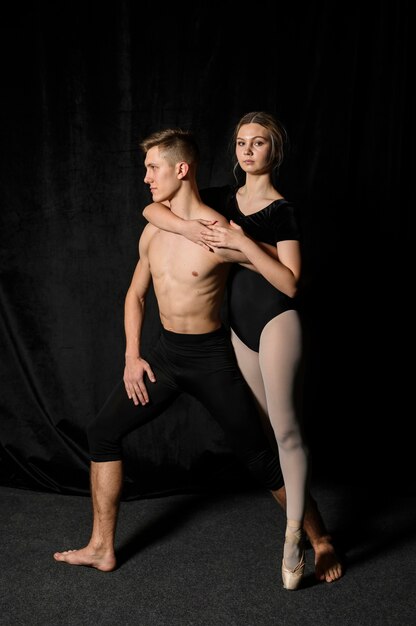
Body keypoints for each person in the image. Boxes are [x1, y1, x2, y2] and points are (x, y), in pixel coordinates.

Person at [53, 127, 307, 590]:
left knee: (260, 457)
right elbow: (134, 295)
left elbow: (283, 277)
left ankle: (319, 536)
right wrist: (132, 356)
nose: (147, 177)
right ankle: (101, 547)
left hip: (211, 357)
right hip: (166, 357)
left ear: (181, 169)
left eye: (153, 168)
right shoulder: (156, 227)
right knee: (101, 432)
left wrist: (242, 243)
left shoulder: (221, 232)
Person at [142, 112, 343, 584]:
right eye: (240, 143)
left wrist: (241, 242)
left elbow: (291, 284)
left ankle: (296, 535)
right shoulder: (220, 198)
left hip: (276, 320)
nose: (247, 151)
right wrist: (192, 230)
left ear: (275, 151)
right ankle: (310, 528)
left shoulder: (281, 210)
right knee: (269, 431)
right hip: (238, 326)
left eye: (258, 143)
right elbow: (152, 209)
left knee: (288, 431)